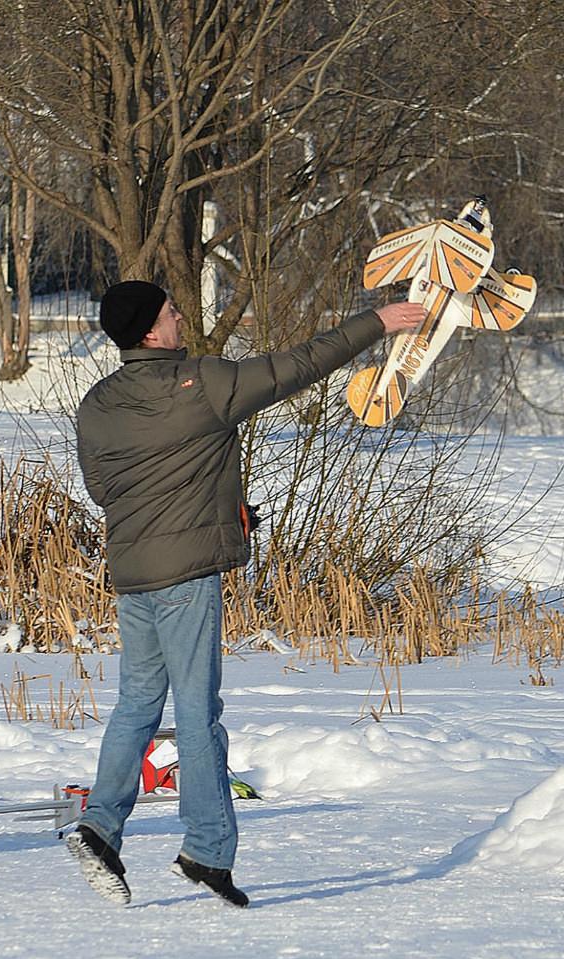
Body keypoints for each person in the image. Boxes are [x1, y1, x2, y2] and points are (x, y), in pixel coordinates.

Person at [66, 281, 425, 907]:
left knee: (136, 708)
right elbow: (302, 365)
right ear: (151, 331)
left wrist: (219, 513)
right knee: (199, 716)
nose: (181, 317)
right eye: (171, 312)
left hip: (133, 577)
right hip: (185, 579)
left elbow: (108, 491)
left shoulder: (97, 403)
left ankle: (100, 829)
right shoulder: (202, 382)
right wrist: (379, 322)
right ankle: (205, 851)